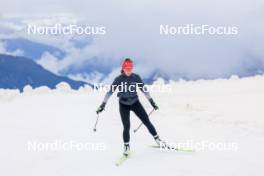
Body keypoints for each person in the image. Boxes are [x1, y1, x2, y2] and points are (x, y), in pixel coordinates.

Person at [96, 58, 164, 156]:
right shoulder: (118, 79)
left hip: (135, 103)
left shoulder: (136, 77)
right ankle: (126, 148)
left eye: (130, 68)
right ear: (123, 69)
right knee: (126, 126)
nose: (128, 71)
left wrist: (152, 102)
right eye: (127, 69)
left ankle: (158, 140)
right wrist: (103, 105)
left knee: (146, 121)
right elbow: (109, 92)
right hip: (123, 105)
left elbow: (144, 90)